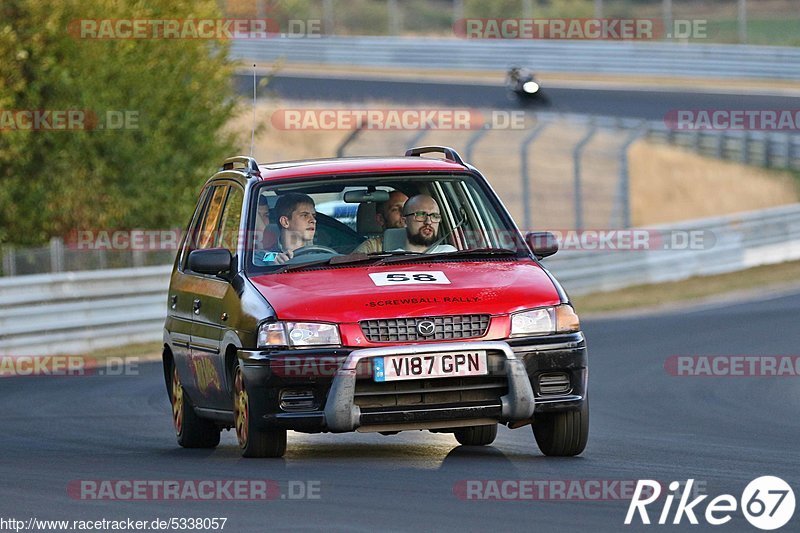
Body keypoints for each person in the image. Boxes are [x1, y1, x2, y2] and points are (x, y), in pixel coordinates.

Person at [261, 192, 316, 264]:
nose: (313, 220)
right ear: (285, 222)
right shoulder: (268, 255)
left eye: (314, 216)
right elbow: (257, 257)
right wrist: (274, 257)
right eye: (304, 215)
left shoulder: (321, 253)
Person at [353, 190, 408, 254]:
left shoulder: (421, 239)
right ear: (381, 219)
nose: (404, 213)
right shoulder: (370, 248)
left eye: (407, 207)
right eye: (395, 209)